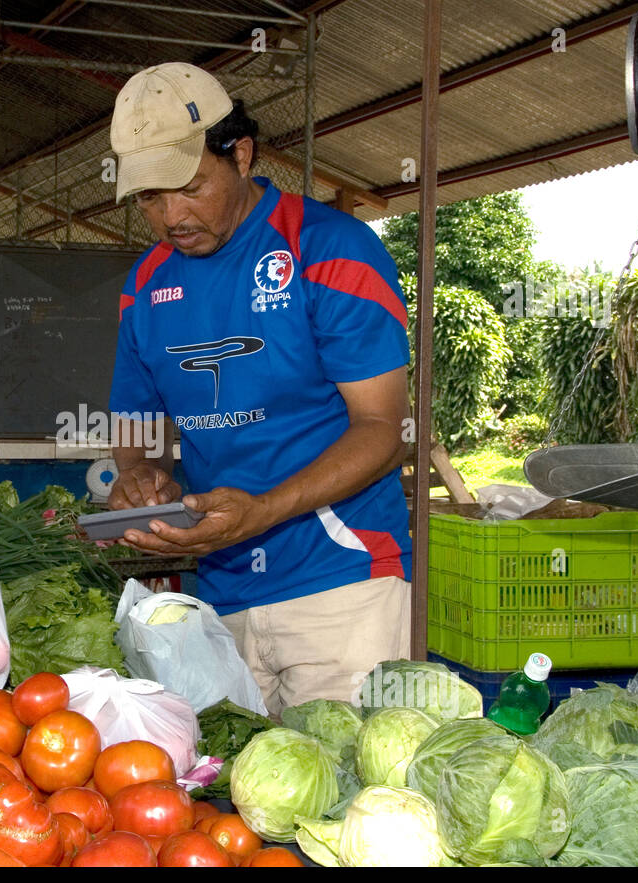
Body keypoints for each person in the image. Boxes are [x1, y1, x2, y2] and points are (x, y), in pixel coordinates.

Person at [106, 63, 412, 719]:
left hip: (342, 585)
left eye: (189, 189)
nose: (171, 217)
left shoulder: (329, 250)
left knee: (347, 796)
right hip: (221, 594)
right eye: (150, 200)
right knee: (236, 804)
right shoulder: (145, 284)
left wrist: (265, 509)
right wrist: (138, 481)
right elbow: (137, 433)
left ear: (240, 155)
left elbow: (384, 434)